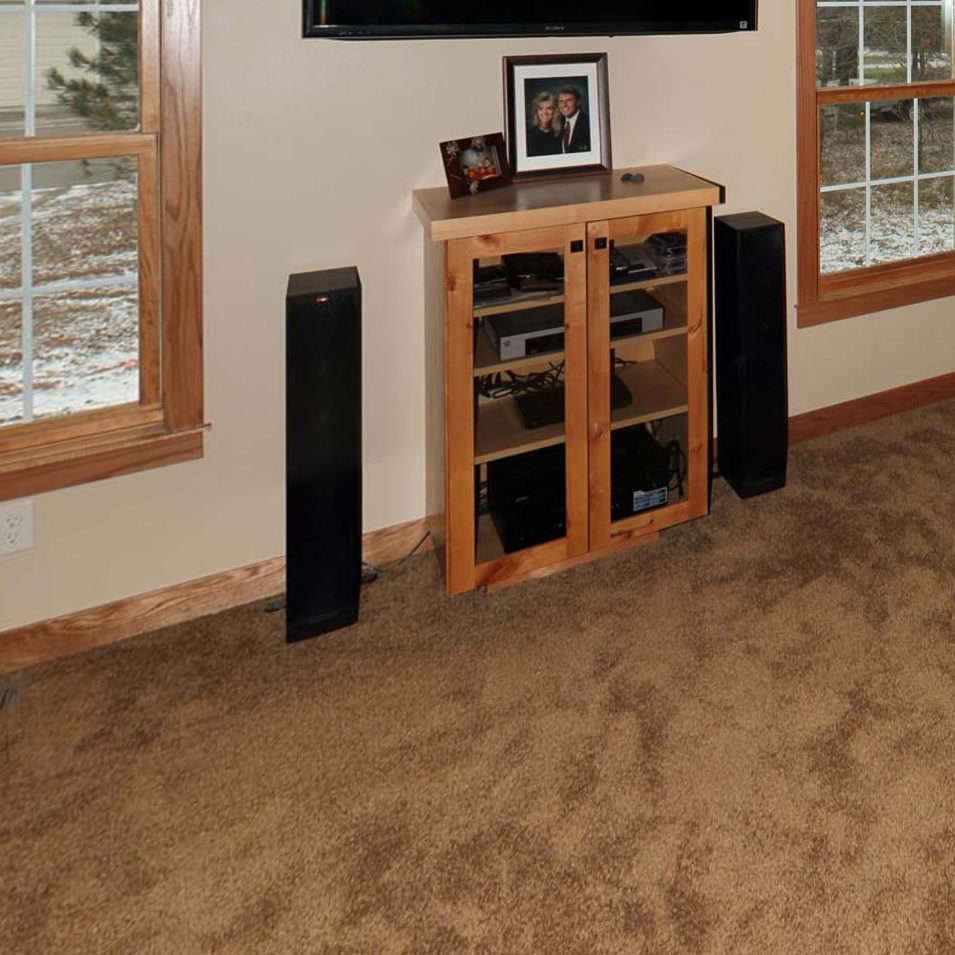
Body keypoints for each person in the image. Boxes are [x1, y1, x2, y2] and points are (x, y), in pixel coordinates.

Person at [525, 91, 562, 157]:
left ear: (555, 111)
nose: (544, 112)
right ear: (536, 111)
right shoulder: (527, 131)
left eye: (549, 108)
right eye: (540, 109)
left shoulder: (561, 133)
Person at [557, 85, 590, 154]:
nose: (564, 105)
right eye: (561, 101)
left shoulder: (588, 124)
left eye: (569, 100)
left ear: (578, 102)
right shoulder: (557, 123)